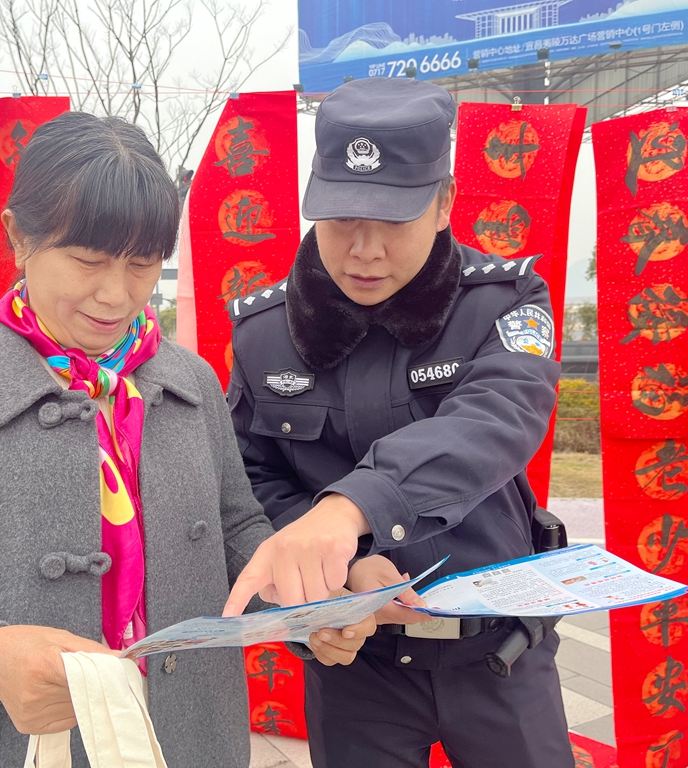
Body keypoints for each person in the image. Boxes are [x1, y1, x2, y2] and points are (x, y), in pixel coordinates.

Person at [0, 112, 374, 768]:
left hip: (187, 742)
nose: (115, 295)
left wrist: (307, 603)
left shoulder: (189, 383)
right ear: (18, 237)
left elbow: (234, 532)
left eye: (142, 264)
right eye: (87, 261)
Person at [224, 78, 573, 767]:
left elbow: (500, 414)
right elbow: (253, 481)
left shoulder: (502, 301)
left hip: (500, 653)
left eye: (392, 221)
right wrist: (341, 576)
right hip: (357, 667)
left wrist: (351, 508)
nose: (364, 250)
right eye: (342, 219)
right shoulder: (264, 334)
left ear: (443, 204)